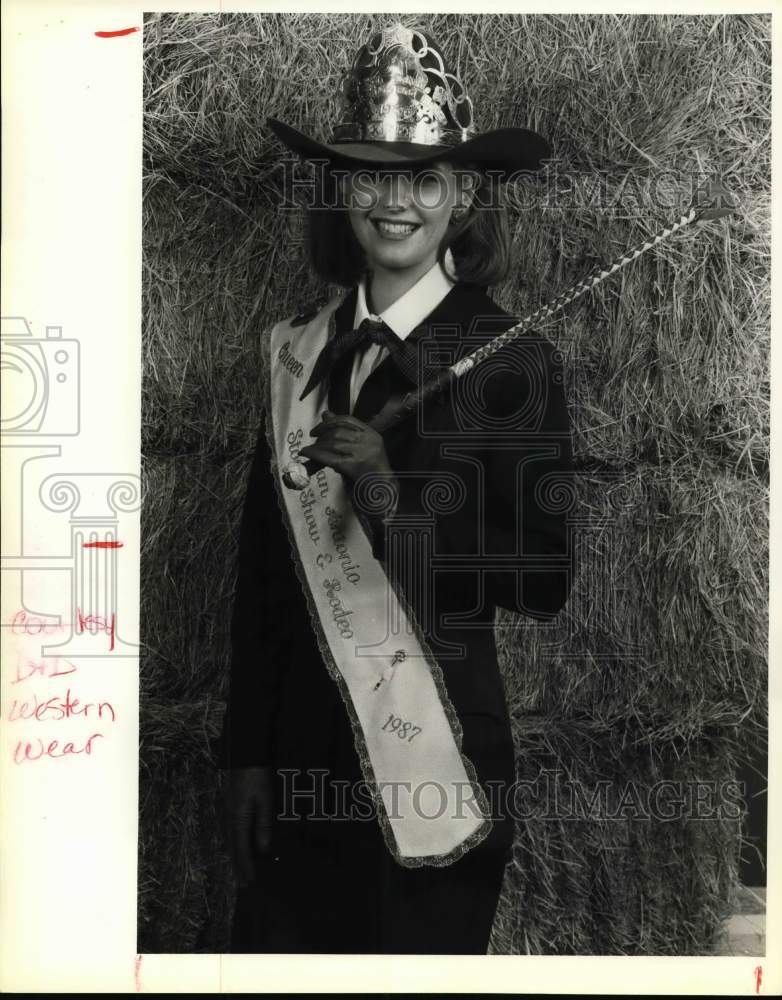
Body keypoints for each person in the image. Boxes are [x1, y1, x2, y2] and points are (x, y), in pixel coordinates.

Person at [218, 22, 575, 954]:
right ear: (342, 192)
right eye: (370, 175)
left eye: (422, 177)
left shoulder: (511, 362)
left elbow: (540, 581)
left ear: (460, 198)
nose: (394, 201)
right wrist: (248, 756)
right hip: (298, 764)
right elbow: (262, 581)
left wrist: (386, 496)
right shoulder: (297, 354)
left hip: (436, 759)